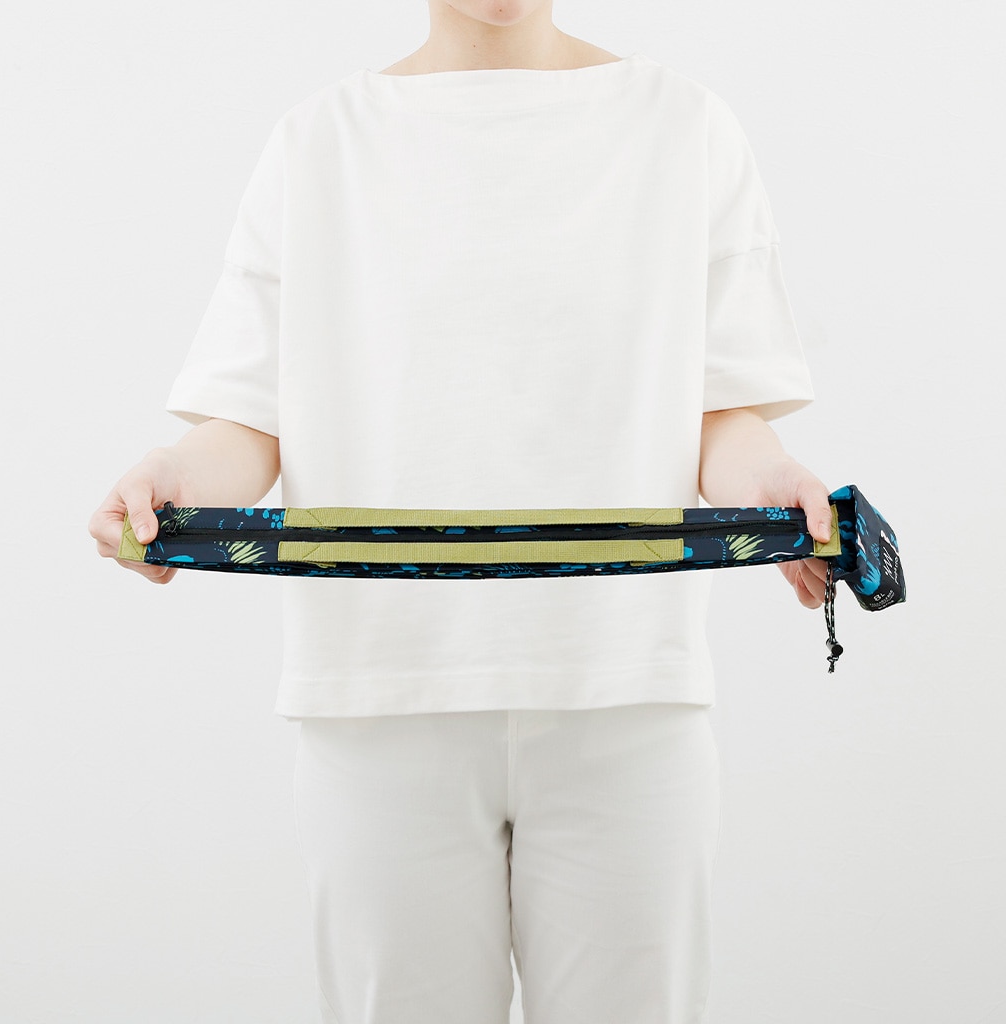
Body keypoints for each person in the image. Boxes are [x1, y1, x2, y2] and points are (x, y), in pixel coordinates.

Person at [89, 2, 832, 1021]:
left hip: (624, 687)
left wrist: (773, 484)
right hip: (380, 694)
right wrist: (172, 477)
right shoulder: (318, 142)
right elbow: (252, 420)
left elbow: (720, 412)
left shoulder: (683, 125)